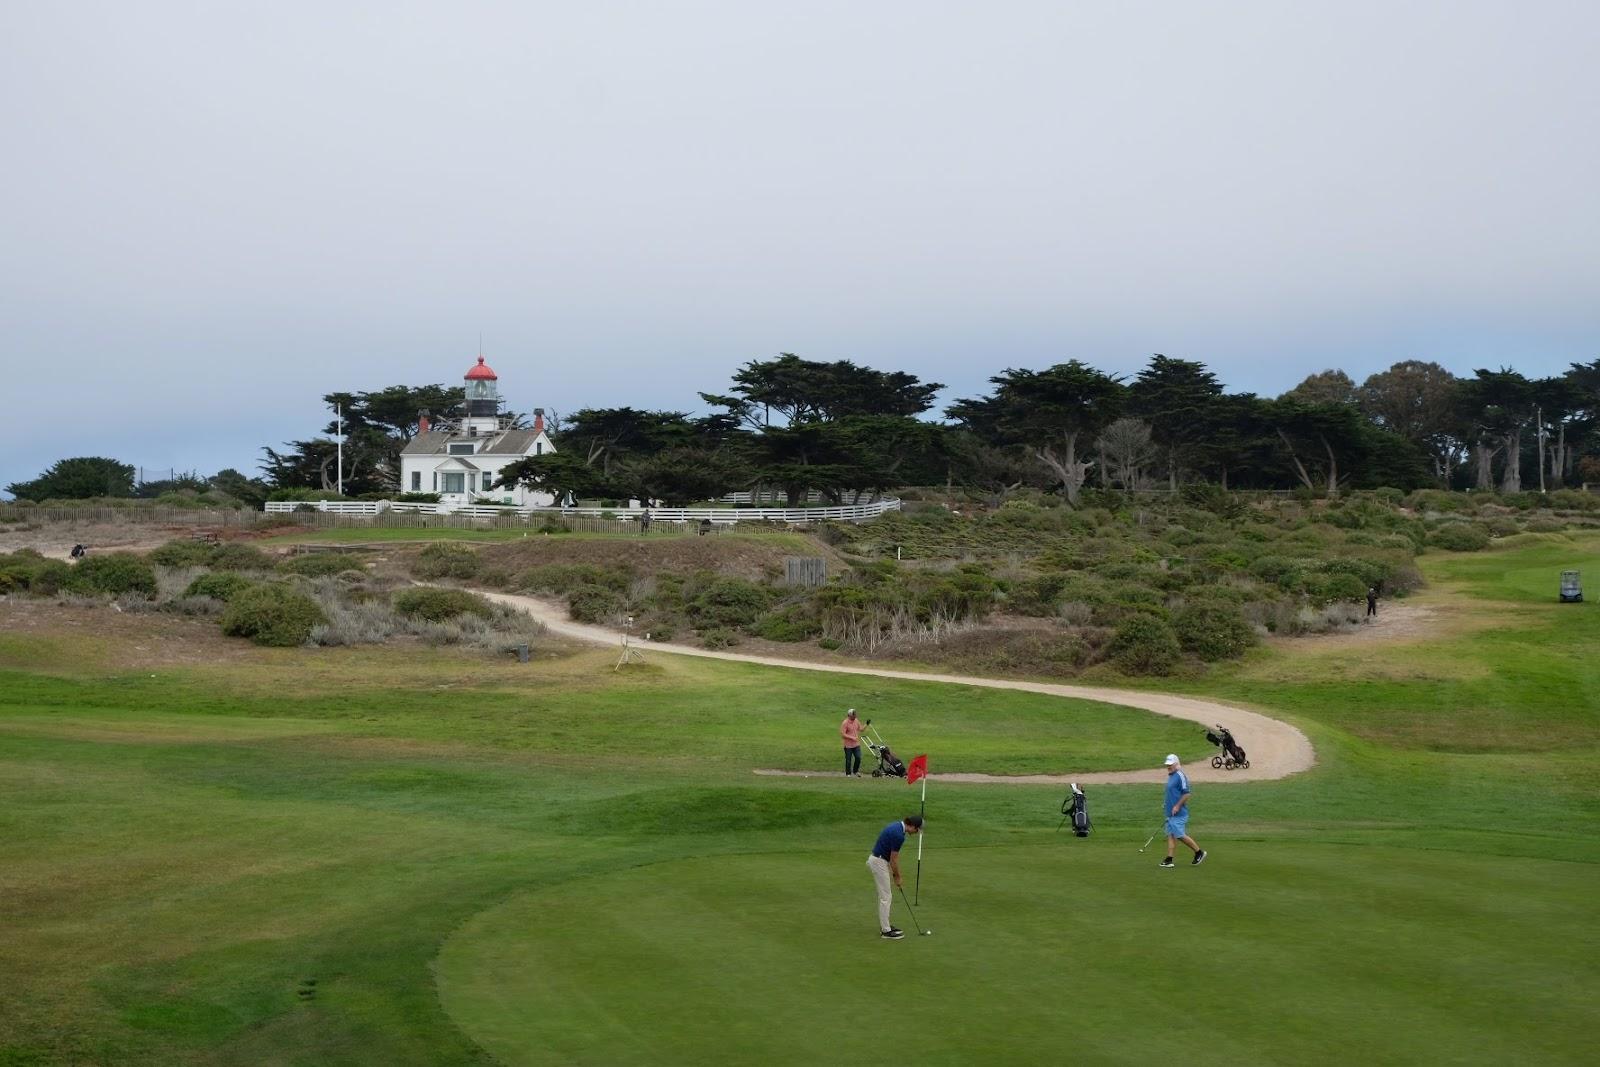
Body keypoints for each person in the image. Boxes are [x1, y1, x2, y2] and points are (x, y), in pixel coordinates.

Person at [867, 814, 922, 938]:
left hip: (879, 860)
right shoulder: (899, 836)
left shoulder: (896, 826)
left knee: (885, 895)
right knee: (886, 896)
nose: (917, 832)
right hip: (879, 861)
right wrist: (897, 876)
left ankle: (885, 925)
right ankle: (886, 931)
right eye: (917, 829)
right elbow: (894, 860)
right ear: (912, 826)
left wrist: (894, 874)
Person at [1160, 754, 1206, 868]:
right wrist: (1166, 804)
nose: (1168, 766)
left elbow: (1187, 793)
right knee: (1171, 835)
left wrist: (1177, 806)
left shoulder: (1180, 775)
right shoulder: (1171, 775)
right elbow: (1172, 793)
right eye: (1167, 764)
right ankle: (1169, 859)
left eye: (1171, 764)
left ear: (1176, 764)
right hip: (1170, 813)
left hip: (1179, 813)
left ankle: (1199, 852)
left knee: (1179, 835)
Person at [841, 708, 863, 777]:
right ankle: (848, 774)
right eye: (853, 715)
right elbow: (843, 734)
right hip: (848, 745)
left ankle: (855, 771)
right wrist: (852, 737)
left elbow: (861, 729)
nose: (855, 716)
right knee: (848, 760)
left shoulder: (856, 720)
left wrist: (867, 725)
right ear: (850, 715)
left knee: (858, 757)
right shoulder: (845, 723)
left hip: (856, 744)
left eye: (855, 715)